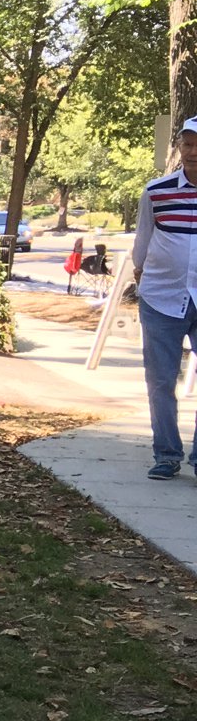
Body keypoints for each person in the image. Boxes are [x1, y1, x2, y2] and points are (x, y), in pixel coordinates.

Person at [131, 117, 197, 480]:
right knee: (160, 380)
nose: (192, 152)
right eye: (187, 144)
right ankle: (167, 454)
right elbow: (142, 241)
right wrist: (140, 276)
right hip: (161, 299)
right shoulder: (157, 191)